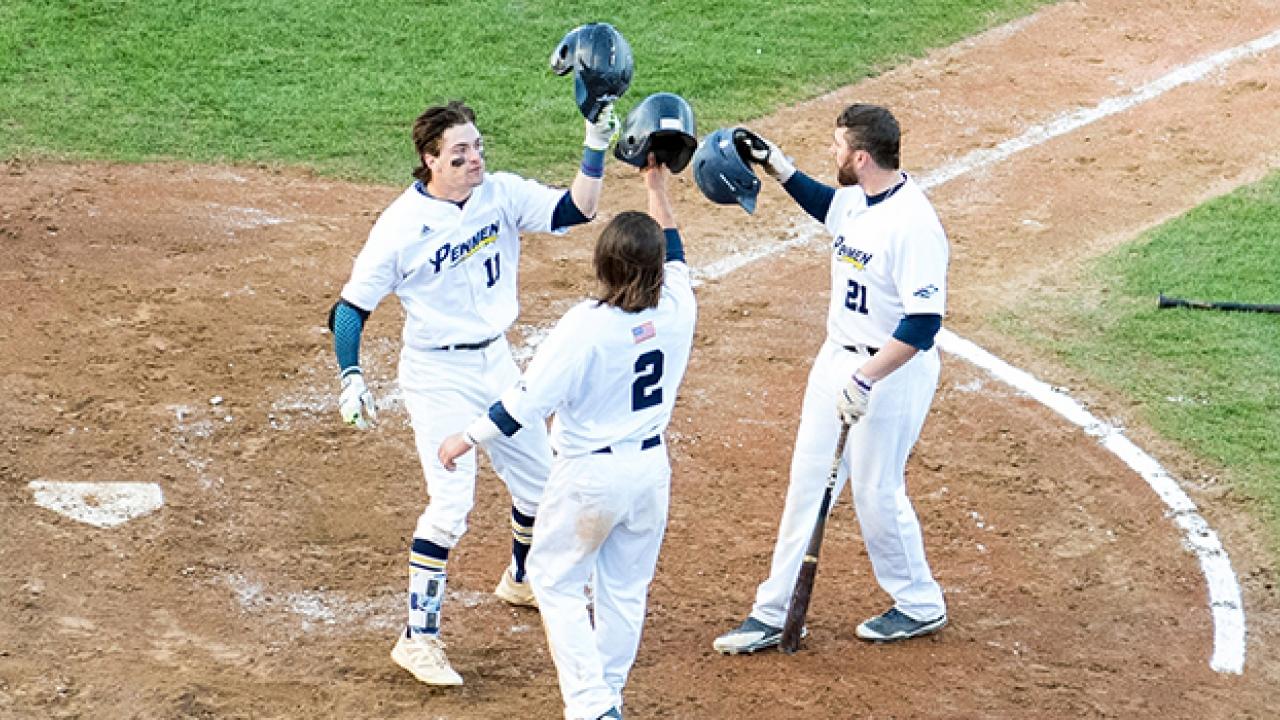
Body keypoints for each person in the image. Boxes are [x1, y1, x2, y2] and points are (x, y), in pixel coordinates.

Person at [329, 99, 619, 685]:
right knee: (450, 506)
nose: (474, 159)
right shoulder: (400, 226)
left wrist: (595, 143)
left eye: (478, 147)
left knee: (541, 484)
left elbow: (578, 209)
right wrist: (351, 375)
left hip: (496, 362)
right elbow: (350, 309)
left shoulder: (500, 194)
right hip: (436, 374)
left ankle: (522, 579)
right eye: (459, 153)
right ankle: (418, 639)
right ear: (430, 160)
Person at [439, 157, 697, 720]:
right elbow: (675, 251)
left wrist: (467, 437)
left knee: (554, 582)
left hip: (589, 478)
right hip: (649, 473)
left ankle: (591, 706)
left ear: (603, 264)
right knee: (624, 590)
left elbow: (526, 401)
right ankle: (609, 697)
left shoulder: (587, 326)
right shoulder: (680, 306)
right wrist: (656, 187)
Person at [712, 103, 950, 654]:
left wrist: (866, 379)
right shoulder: (859, 198)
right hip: (837, 358)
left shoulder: (914, 224)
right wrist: (778, 166)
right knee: (807, 484)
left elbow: (922, 324)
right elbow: (829, 207)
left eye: (838, 146)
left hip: (891, 369)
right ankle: (773, 613)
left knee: (875, 489)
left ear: (861, 157)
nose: (833, 152)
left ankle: (920, 603)